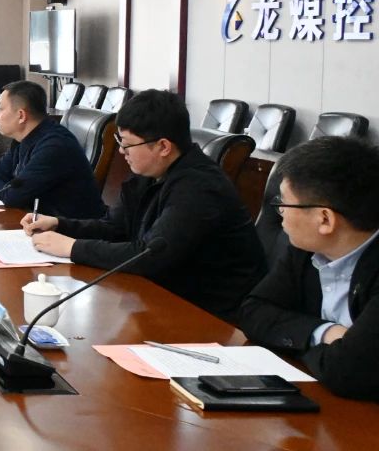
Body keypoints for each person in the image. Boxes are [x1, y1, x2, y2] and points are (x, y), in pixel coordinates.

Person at [22, 89, 266, 321]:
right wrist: (60, 224)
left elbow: (150, 256)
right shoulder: (149, 172)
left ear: (163, 146)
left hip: (211, 316)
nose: (121, 151)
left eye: (127, 144)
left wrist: (73, 248)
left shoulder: (200, 188)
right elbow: (115, 227)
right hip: (162, 296)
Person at [238, 136, 379, 400]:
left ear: (324, 219)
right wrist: (325, 333)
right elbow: (252, 312)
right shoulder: (306, 248)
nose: (280, 212)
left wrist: (297, 339)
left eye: (284, 203)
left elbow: (348, 371)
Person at [0, 80, 102, 219]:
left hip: (68, 228)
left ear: (21, 115)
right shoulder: (22, 139)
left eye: (1, 109)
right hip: (37, 221)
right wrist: (4, 190)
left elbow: (13, 197)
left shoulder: (55, 146)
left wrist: (4, 190)